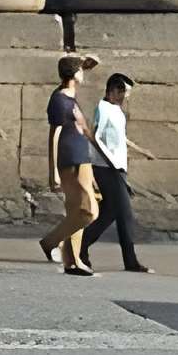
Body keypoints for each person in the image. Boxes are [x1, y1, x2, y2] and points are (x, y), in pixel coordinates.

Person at [36, 53, 102, 275]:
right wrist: (52, 170)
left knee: (78, 211)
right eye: (80, 71)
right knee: (88, 212)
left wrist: (83, 63)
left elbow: (80, 71)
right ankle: (53, 242)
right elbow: (53, 135)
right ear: (74, 75)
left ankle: (71, 259)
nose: (84, 73)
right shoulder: (59, 100)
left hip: (82, 158)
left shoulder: (70, 94)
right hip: (69, 160)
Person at [78, 72, 150, 275]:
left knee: (109, 213)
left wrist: (141, 150)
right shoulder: (104, 108)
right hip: (106, 168)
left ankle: (79, 246)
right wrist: (110, 162)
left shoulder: (117, 111)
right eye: (124, 92)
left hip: (117, 167)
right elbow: (95, 137)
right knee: (125, 214)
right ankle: (130, 260)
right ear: (113, 90)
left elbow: (120, 138)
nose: (126, 97)